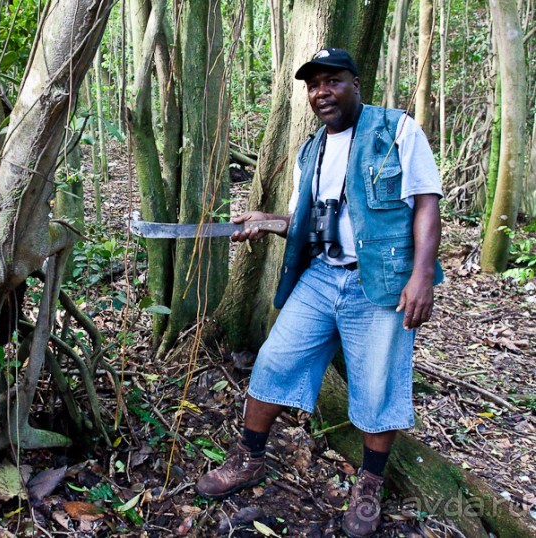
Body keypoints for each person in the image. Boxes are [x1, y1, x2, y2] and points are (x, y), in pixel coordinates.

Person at [195, 48, 444, 538]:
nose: (322, 92)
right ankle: (249, 457)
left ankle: (369, 485)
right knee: (274, 361)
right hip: (322, 276)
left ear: (356, 83)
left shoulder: (395, 130)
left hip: (381, 283)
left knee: (377, 384)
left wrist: (421, 276)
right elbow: (304, 222)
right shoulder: (311, 150)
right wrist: (267, 221)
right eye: (313, 85)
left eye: (332, 81)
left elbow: (426, 202)